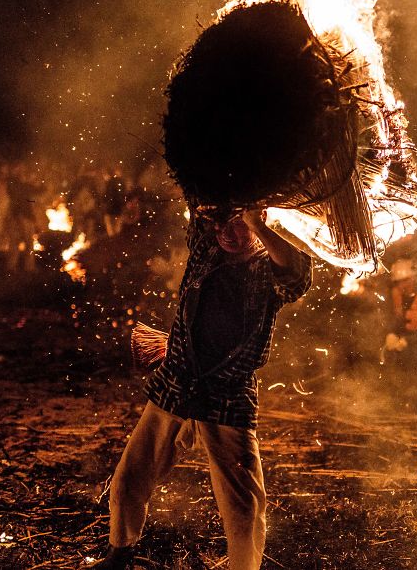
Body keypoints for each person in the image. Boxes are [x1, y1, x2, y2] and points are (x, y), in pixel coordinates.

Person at [91, 206, 312, 570]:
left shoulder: (269, 267)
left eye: (239, 226)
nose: (228, 233)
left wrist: (257, 221)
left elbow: (297, 277)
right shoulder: (205, 247)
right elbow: (199, 203)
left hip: (226, 393)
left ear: (259, 223)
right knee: (132, 475)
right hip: (176, 381)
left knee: (243, 502)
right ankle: (119, 553)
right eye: (221, 223)